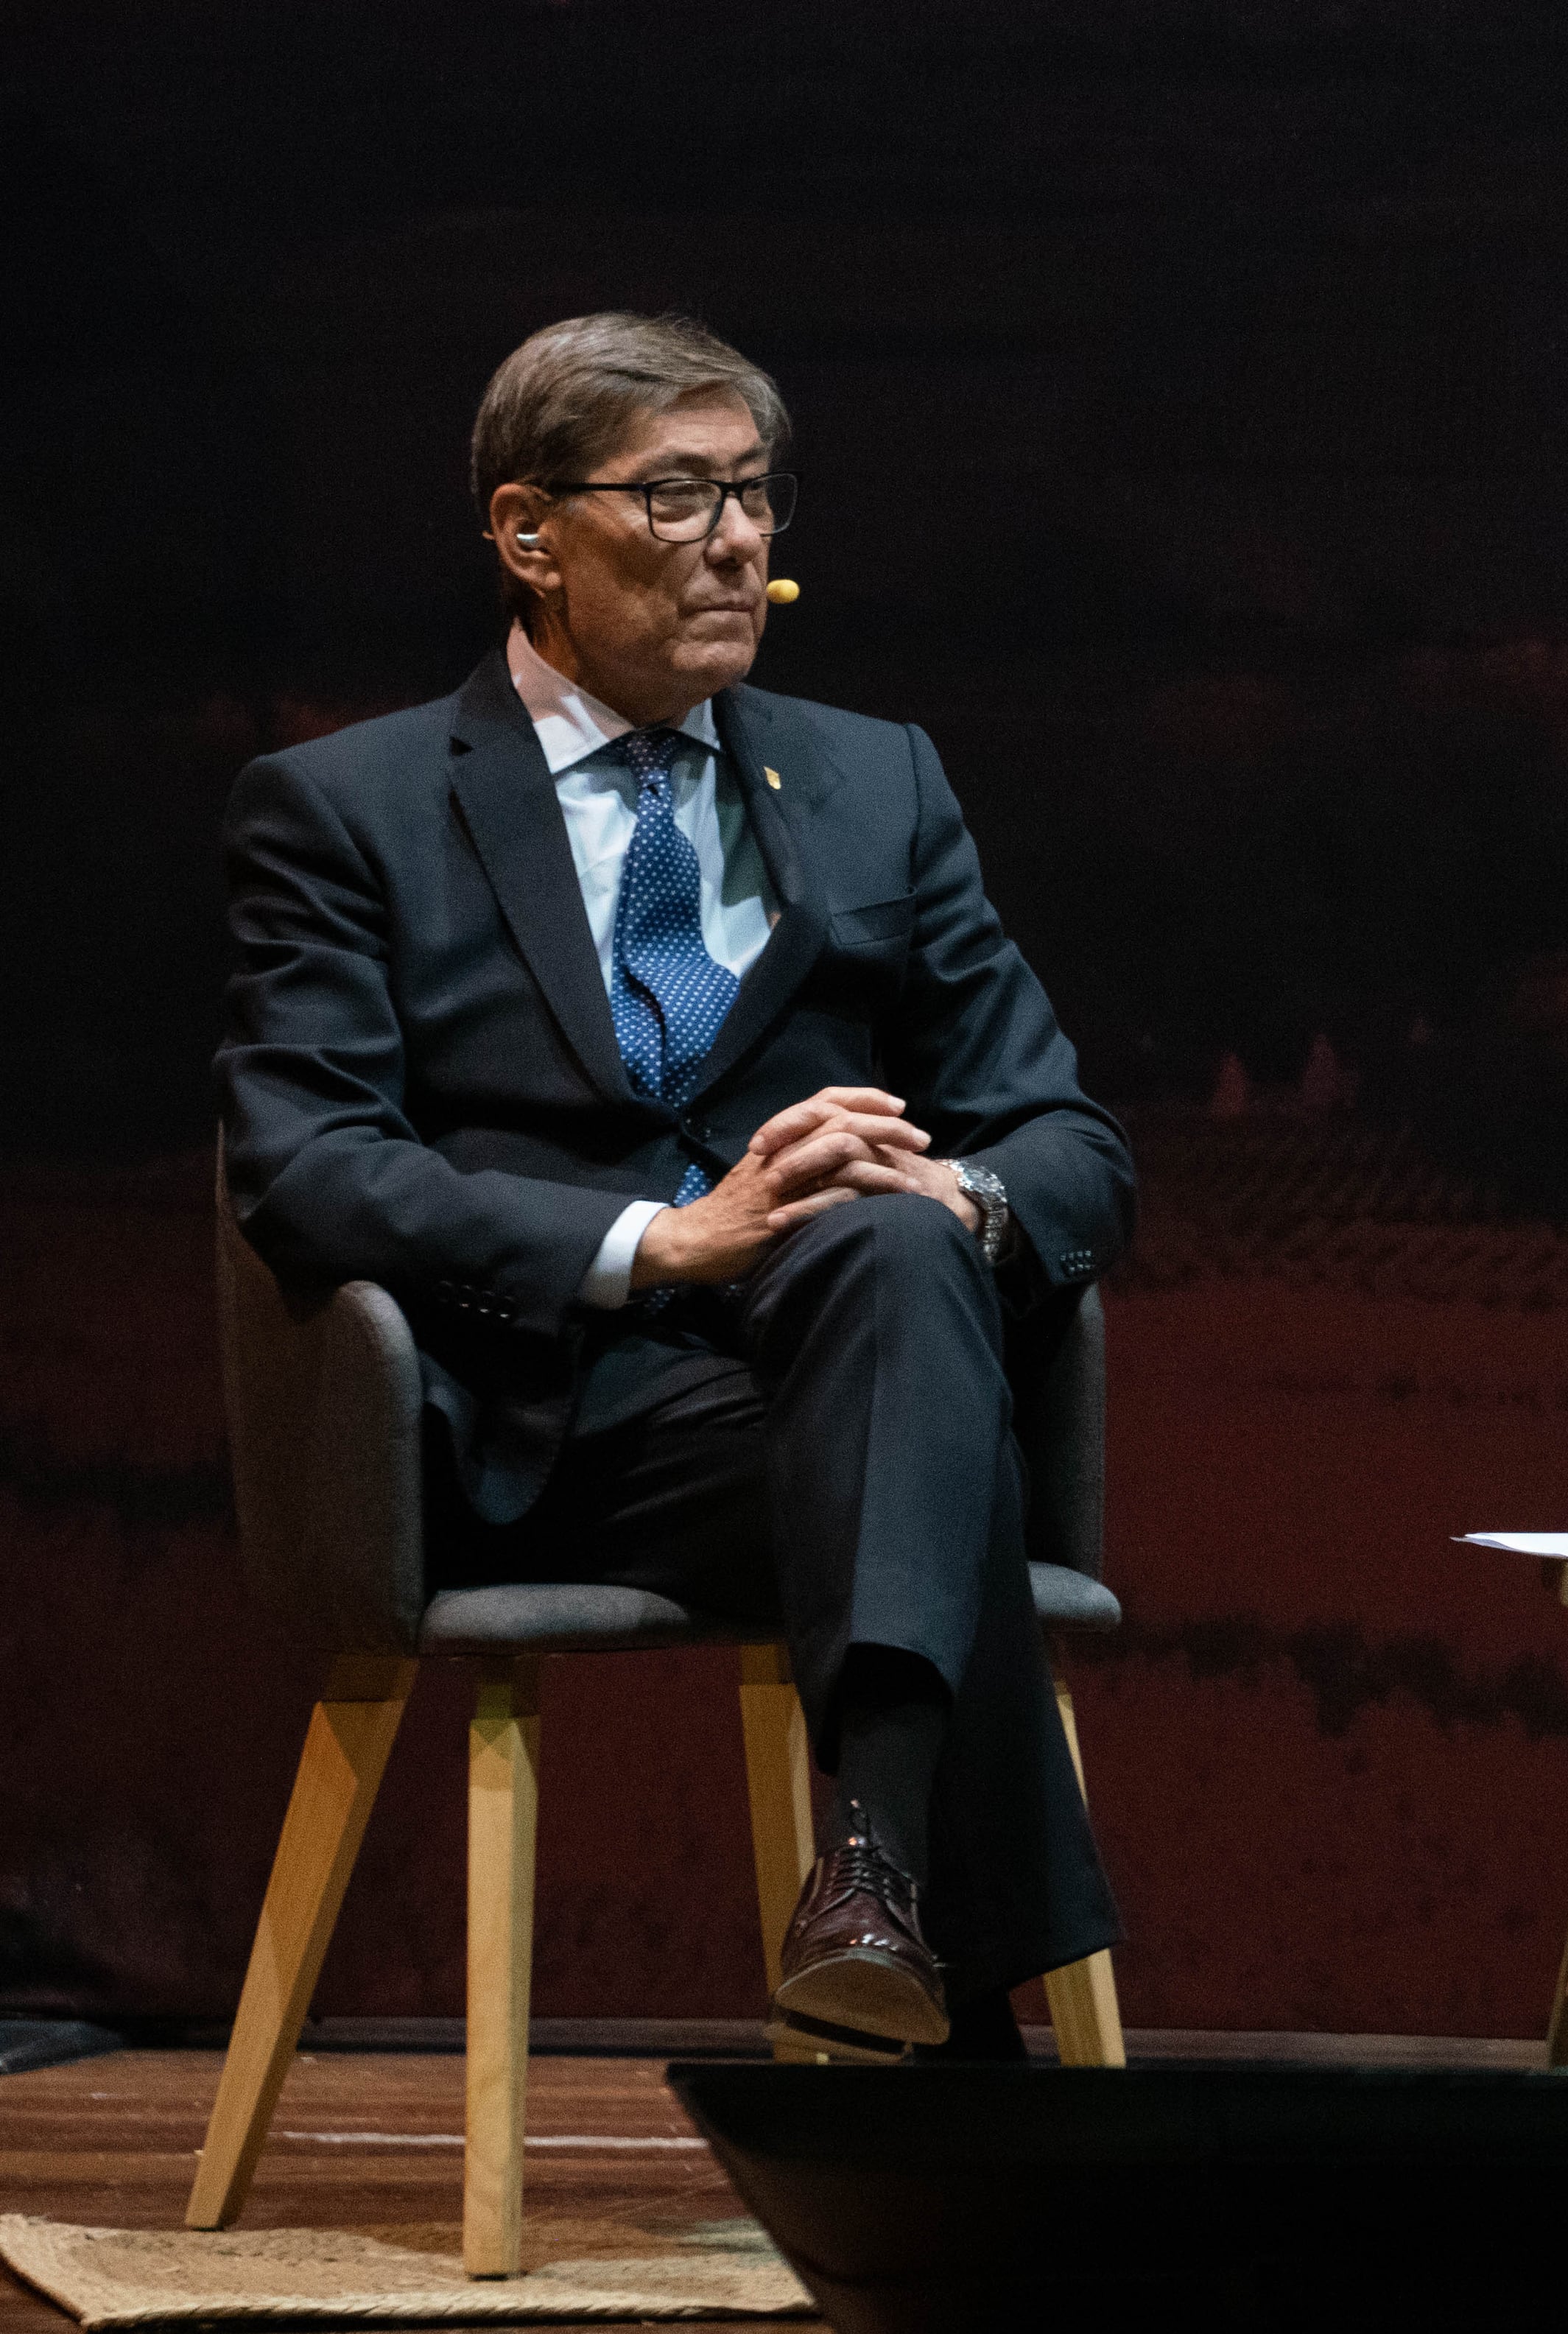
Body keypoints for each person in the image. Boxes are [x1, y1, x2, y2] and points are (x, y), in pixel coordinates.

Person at [218, 312, 1131, 2061]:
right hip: (553, 1418)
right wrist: (657, 1242)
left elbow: (1069, 1140)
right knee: (933, 1467)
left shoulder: (879, 782)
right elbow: (307, 1167)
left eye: (758, 495)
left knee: (892, 1247)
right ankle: (976, 2064)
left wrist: (968, 1206)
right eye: (681, 493)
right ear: (530, 532)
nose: (738, 540)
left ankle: (870, 1881)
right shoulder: (349, 807)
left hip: (844, 1373)